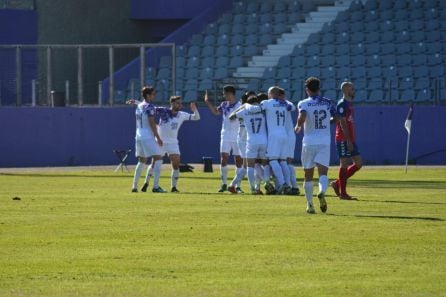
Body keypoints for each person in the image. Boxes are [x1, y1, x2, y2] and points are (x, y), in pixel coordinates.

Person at [140, 96, 200, 193]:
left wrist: (195, 110)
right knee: (154, 164)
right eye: (177, 103)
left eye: (180, 103)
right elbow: (149, 109)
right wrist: (137, 102)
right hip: (160, 141)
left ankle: (174, 187)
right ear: (172, 103)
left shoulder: (182, 114)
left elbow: (196, 117)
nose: (180, 105)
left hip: (173, 143)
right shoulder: (163, 111)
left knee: (176, 164)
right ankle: (146, 183)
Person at [295, 77, 336, 214]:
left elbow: (302, 116)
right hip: (324, 141)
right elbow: (336, 118)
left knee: (308, 175)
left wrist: (298, 125)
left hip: (309, 141)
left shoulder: (303, 103)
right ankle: (321, 191)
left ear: (307, 89)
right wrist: (326, 122)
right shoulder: (328, 102)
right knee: (323, 172)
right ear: (319, 88)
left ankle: (310, 204)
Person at [245, 86, 295, 195]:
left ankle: (283, 184)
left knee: (272, 160)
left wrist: (246, 105)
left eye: (269, 93)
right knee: (283, 161)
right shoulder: (284, 103)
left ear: (271, 94)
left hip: (274, 135)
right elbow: (293, 107)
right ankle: (288, 185)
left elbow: (255, 109)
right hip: (284, 135)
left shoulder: (267, 103)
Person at [204, 86, 243, 192]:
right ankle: (224, 184)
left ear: (230, 93)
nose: (223, 95)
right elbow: (216, 112)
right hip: (225, 135)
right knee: (223, 158)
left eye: (224, 93)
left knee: (238, 160)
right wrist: (208, 102)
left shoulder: (241, 105)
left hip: (237, 136)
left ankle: (237, 186)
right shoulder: (224, 104)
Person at [229, 95, 268, 194]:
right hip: (258, 140)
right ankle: (264, 184)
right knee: (259, 164)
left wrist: (243, 106)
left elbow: (231, 117)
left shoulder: (244, 110)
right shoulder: (263, 110)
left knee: (250, 165)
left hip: (249, 140)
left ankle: (253, 187)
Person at [331, 81, 362, 200]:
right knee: (344, 164)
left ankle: (337, 183)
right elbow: (342, 123)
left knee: (359, 163)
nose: (354, 90)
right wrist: (348, 141)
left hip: (350, 139)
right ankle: (343, 193)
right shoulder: (342, 104)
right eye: (351, 89)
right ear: (345, 90)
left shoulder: (350, 104)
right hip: (343, 138)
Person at [131, 86, 165, 193]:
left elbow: (142, 106)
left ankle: (134, 186)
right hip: (147, 136)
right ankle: (155, 187)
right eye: (153, 94)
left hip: (138, 135)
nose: (154, 96)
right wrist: (158, 137)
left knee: (142, 161)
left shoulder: (139, 106)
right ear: (148, 95)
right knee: (158, 158)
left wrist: (136, 101)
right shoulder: (149, 107)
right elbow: (151, 123)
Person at [278, 87, 300, 195]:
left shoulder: (287, 103)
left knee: (287, 161)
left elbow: (293, 107)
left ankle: (293, 186)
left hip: (288, 136)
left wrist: (282, 102)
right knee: (283, 161)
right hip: (283, 136)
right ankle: (290, 186)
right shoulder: (274, 103)